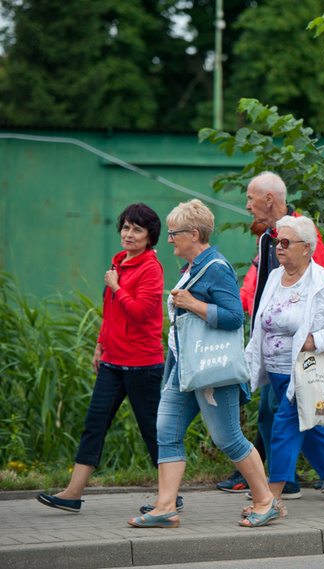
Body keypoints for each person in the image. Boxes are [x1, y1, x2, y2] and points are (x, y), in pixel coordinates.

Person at [128, 199, 280, 528]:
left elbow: (234, 316)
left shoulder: (216, 268)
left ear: (194, 234)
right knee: (166, 430)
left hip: (211, 370)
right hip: (184, 369)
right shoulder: (193, 268)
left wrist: (193, 304)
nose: (168, 239)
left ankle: (266, 500)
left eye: (174, 233)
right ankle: (165, 507)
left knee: (227, 438)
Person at [218, 172, 324, 496]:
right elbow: (260, 285)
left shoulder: (302, 235)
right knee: (292, 417)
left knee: (278, 419)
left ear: (269, 199)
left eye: (251, 198)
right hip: (273, 354)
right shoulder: (268, 237)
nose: (247, 205)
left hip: (300, 357)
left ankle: (277, 490)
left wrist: (314, 341)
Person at [37, 204, 166, 514]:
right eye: (125, 227)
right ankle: (73, 493)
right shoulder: (118, 262)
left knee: (152, 430)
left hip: (142, 364)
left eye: (137, 229)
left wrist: (116, 286)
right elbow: (110, 312)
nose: (128, 234)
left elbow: (140, 313)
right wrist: (99, 345)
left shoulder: (150, 268)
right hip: (112, 361)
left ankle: (168, 495)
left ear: (150, 236)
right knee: (94, 424)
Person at [245, 215, 324, 514]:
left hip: (303, 371)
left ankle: (272, 498)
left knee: (284, 426)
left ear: (307, 248)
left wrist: (316, 340)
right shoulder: (275, 277)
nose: (279, 248)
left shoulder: (322, 282)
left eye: (286, 243)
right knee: (307, 427)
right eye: (277, 242)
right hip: (274, 372)